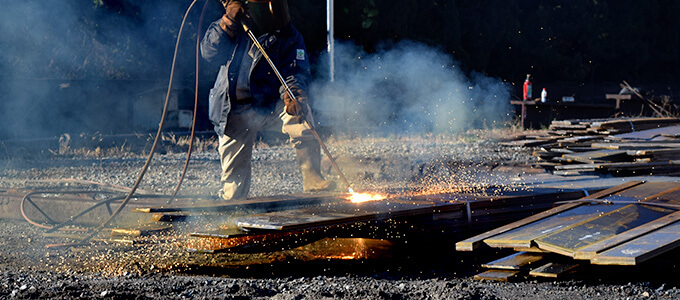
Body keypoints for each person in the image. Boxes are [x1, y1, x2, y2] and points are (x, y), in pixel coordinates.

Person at [201, 0, 335, 200]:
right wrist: (228, 21)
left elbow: (295, 70)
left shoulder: (289, 35)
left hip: (270, 105)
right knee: (233, 186)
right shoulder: (232, 27)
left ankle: (313, 178)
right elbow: (209, 54)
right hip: (235, 109)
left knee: (301, 118)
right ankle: (233, 209)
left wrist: (294, 94)